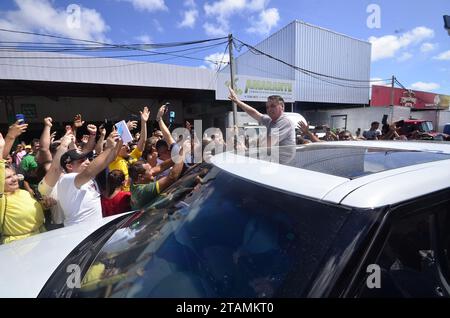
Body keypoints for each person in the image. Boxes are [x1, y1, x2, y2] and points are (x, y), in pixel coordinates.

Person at [57, 131, 122, 227]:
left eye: (87, 158)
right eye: (82, 160)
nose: (87, 161)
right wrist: (108, 148)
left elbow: (109, 159)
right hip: (78, 233)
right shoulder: (66, 179)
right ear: (69, 166)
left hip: (93, 231)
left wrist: (120, 140)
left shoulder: (85, 178)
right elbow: (89, 172)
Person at [0, 133, 55, 244]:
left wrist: (45, 205)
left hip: (41, 237)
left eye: (14, 175)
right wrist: (9, 139)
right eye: (8, 177)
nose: (15, 179)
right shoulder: (1, 199)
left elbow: (34, 208)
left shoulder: (23, 192)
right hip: (18, 246)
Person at [228, 87, 295, 148]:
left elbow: (265, 145)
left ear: (282, 106)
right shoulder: (270, 121)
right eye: (267, 107)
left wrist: (242, 143)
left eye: (273, 106)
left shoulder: (284, 122)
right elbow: (254, 113)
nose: (269, 109)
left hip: (280, 161)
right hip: (273, 159)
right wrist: (237, 101)